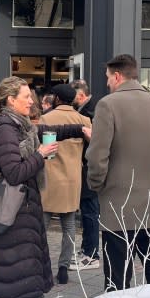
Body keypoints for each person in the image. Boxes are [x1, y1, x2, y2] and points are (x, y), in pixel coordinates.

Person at [0, 76, 89, 298]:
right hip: (11, 212)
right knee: (5, 275)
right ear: (11, 100)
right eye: (27, 97)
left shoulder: (19, 125)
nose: (32, 101)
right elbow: (14, 173)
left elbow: (44, 131)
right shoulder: (6, 128)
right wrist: (42, 155)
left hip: (18, 212)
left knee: (11, 274)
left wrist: (78, 130)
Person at [86, 54, 150, 292]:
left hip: (119, 208)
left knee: (117, 282)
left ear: (117, 76)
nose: (107, 83)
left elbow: (97, 157)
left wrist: (97, 185)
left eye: (107, 77)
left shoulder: (107, 105)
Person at [39, 84, 92, 284]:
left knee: (42, 225)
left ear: (57, 99)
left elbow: (45, 149)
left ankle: (42, 266)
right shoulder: (84, 120)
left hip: (50, 177)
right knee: (68, 225)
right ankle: (64, 267)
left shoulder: (47, 118)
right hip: (73, 177)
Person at [70, 79, 101, 269]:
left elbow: (97, 140)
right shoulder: (88, 110)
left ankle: (91, 254)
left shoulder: (91, 111)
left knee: (90, 211)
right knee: (88, 210)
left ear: (81, 95)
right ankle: (87, 250)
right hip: (86, 168)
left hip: (89, 169)